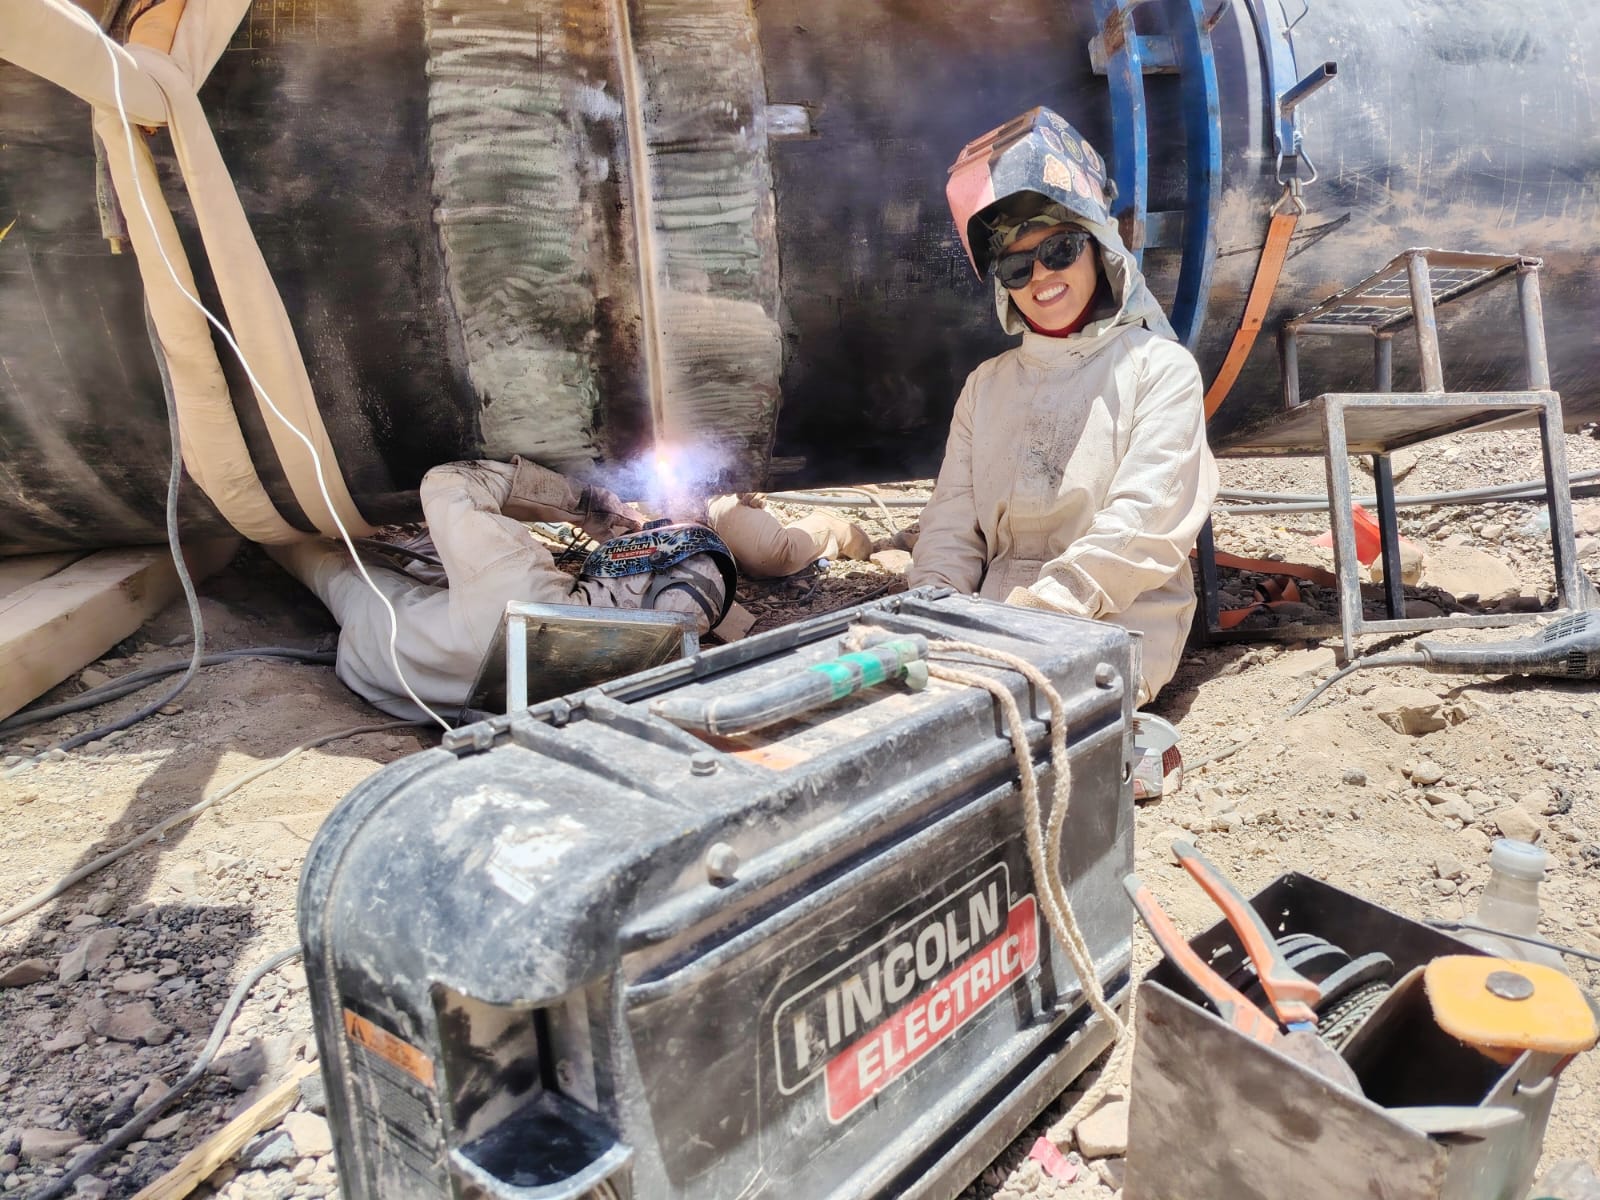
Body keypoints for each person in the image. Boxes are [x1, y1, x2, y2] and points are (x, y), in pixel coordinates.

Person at [909, 106, 1219, 706]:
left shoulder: (1159, 369)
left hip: (1112, 630)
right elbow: (951, 528)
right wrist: (929, 613)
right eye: (1017, 265)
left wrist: (1046, 613)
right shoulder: (986, 386)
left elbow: (1142, 525)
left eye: (1060, 249)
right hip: (994, 632)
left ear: (1098, 247)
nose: (1040, 277)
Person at [272, 457, 869, 720]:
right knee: (366, 575)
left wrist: (581, 504)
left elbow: (447, 481)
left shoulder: (514, 573)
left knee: (331, 569)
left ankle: (267, 537)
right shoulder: (634, 655)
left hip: (388, 651)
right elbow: (685, 608)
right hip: (417, 691)